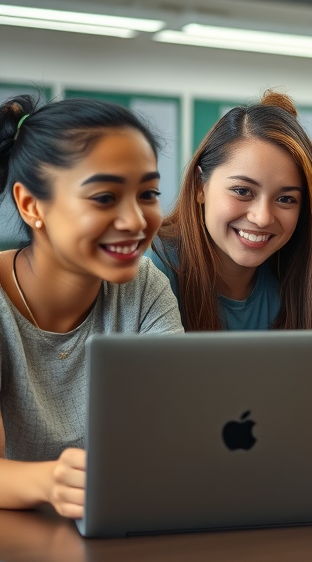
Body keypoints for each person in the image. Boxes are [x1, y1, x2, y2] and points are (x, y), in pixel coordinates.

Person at [0, 95, 183, 519]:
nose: (137, 221)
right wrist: (50, 482)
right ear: (31, 205)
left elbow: (172, 424)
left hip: (116, 528)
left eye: (149, 193)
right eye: (104, 197)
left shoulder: (144, 285)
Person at [151, 91, 312, 330]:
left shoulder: (304, 288)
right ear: (199, 186)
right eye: (242, 191)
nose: (263, 217)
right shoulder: (152, 271)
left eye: (286, 199)